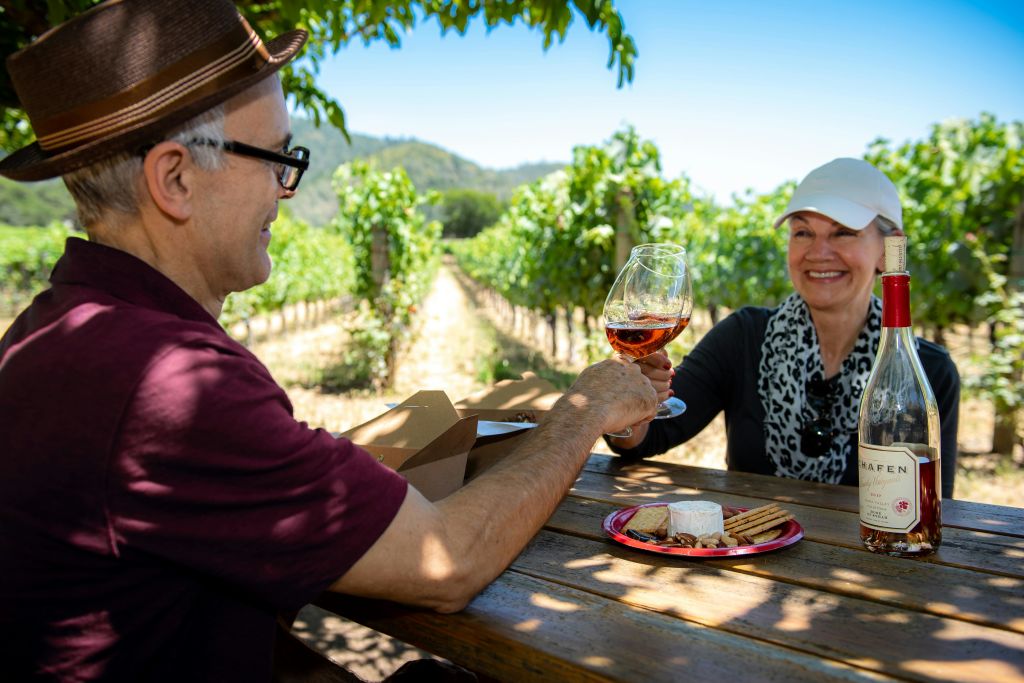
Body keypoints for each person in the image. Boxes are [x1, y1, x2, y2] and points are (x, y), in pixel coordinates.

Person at [0, 1, 658, 680]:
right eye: (275, 158)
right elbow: (449, 561)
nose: (286, 191)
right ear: (175, 179)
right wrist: (582, 409)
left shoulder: (48, 332)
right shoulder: (165, 382)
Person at [607, 158, 960, 499]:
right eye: (803, 232)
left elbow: (929, 505)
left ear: (888, 249)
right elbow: (645, 441)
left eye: (843, 233)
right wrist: (636, 403)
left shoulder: (928, 372)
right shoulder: (742, 337)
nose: (819, 251)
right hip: (746, 555)